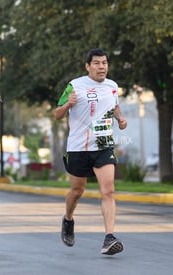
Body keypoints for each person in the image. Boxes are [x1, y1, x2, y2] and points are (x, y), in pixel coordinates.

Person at [54, 48, 127, 255]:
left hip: (103, 145)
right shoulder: (74, 85)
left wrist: (120, 119)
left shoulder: (112, 86)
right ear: (88, 66)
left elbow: (114, 106)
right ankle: (68, 219)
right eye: (96, 63)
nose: (101, 66)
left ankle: (109, 237)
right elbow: (57, 114)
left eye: (104, 62)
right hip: (78, 148)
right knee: (77, 191)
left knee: (109, 190)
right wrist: (68, 103)